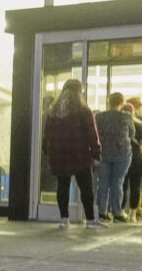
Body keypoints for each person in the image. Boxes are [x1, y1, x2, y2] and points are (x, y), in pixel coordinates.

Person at [42, 79, 105, 229]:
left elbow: (47, 134)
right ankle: (90, 220)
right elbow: (92, 134)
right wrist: (96, 154)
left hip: (59, 154)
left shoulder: (53, 111)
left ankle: (64, 219)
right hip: (79, 154)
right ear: (79, 92)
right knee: (85, 187)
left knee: (62, 186)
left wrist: (47, 150)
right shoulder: (84, 111)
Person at [95, 92, 134, 223]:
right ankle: (117, 213)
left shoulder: (99, 117)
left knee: (103, 183)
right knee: (117, 182)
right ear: (122, 102)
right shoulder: (126, 117)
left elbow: (95, 133)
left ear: (108, 101)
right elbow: (132, 133)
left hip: (103, 153)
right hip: (122, 154)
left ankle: (102, 212)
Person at [120, 103, 142, 222]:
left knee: (122, 185)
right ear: (133, 112)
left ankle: (120, 211)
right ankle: (133, 214)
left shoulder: (119, 124)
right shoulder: (139, 124)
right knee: (136, 187)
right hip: (137, 158)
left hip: (122, 157)